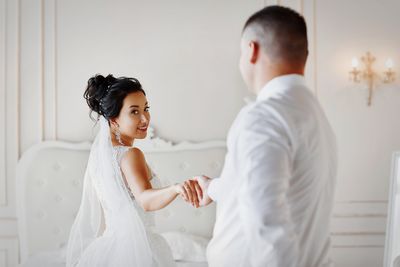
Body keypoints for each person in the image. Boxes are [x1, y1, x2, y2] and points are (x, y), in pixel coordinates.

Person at [195, 5, 337, 267]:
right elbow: (262, 186)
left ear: (251, 50)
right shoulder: (314, 114)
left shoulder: (264, 117)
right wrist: (212, 188)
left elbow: (266, 218)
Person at [66, 74, 202, 267]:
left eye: (146, 109)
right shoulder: (131, 154)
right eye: (134, 112)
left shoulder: (101, 157)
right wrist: (177, 188)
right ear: (113, 119)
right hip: (138, 250)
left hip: (109, 248)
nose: (145, 118)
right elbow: (145, 200)